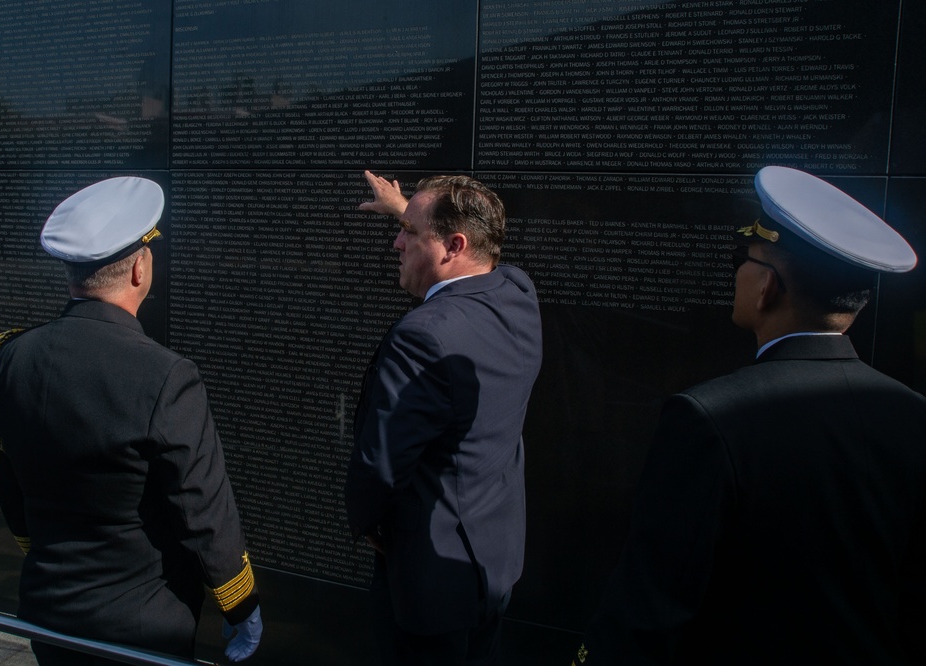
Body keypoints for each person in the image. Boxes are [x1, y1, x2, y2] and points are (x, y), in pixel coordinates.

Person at [572, 166, 926, 665]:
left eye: (748, 259)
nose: (738, 271)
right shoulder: (912, 414)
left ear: (766, 288)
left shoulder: (709, 417)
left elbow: (653, 599)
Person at [0, 177, 263, 665]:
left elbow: (10, 489)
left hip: (48, 611)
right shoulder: (166, 376)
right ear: (139, 268)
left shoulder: (5, 358)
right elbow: (202, 510)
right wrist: (240, 602)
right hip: (141, 627)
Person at [345, 171, 543, 665]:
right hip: (490, 566)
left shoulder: (423, 337)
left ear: (454, 246)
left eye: (409, 233)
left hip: (429, 589)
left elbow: (382, 464)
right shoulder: (517, 293)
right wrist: (405, 209)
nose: (396, 242)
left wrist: (368, 521)